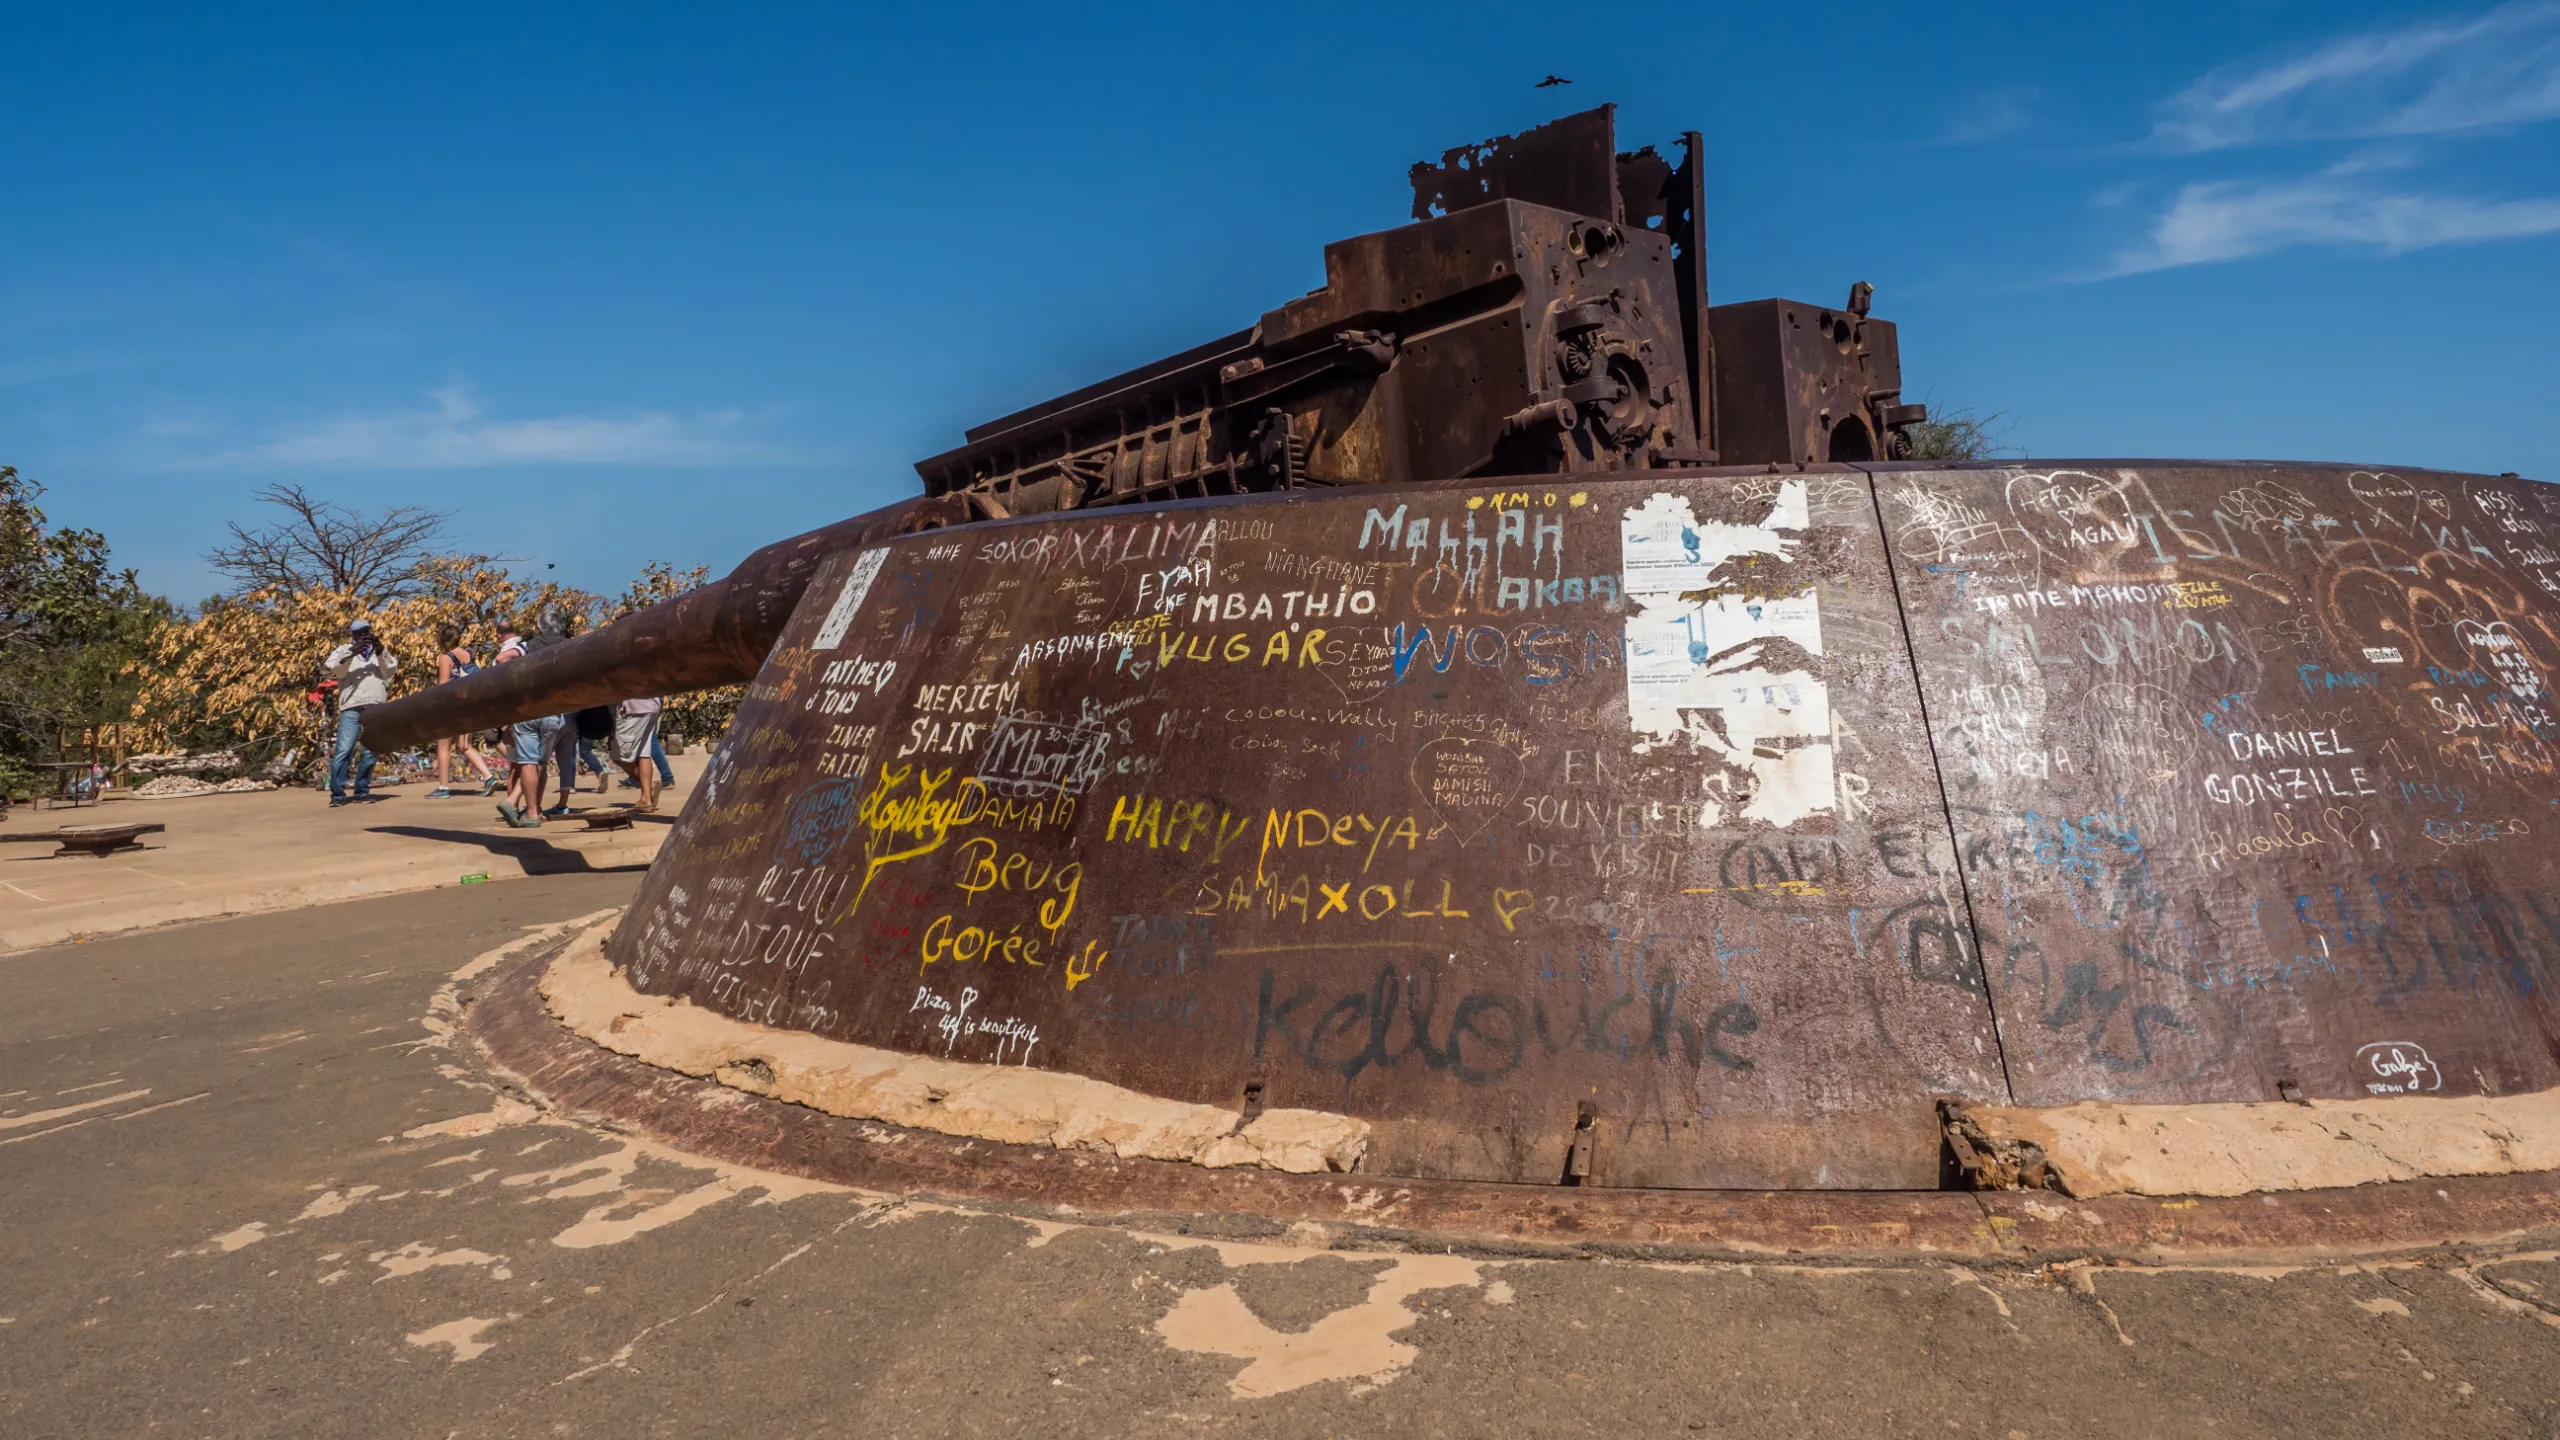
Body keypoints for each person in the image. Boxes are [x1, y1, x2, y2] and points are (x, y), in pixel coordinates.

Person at [323, 618, 399, 807]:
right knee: (344, 750)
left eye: (366, 632)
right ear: (353, 635)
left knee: (370, 751)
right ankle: (338, 795)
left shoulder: (378, 651)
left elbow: (390, 671)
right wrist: (351, 653)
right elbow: (334, 669)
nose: (364, 636)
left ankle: (362, 791)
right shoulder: (344, 649)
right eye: (360, 633)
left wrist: (381, 651)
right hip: (351, 707)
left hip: (375, 706)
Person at [491, 630, 557, 827]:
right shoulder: (560, 649)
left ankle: (524, 807)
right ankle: (533, 810)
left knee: (525, 762)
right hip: (553, 711)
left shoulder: (526, 648)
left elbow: (502, 658)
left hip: (526, 709)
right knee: (539, 764)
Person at [428, 625, 497, 798]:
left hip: (452, 706)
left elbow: (443, 688)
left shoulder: (446, 657)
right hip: (469, 705)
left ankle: (443, 787)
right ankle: (488, 777)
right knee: (464, 745)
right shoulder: (469, 654)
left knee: (444, 744)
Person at [614, 695, 664, 812]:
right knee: (643, 752)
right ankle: (646, 799)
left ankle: (648, 789)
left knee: (617, 754)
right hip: (653, 706)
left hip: (636, 708)